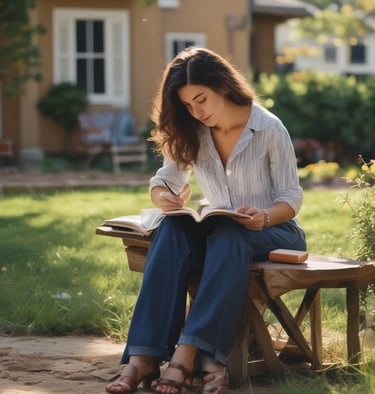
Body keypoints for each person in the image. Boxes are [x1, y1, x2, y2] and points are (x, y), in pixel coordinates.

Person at [105, 47, 306, 394]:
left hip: (275, 231)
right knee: (173, 227)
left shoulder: (269, 129)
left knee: (230, 234)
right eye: (187, 105)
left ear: (223, 86)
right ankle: (143, 357)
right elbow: (165, 179)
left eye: (201, 100)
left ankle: (188, 354)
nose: (197, 112)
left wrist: (264, 216)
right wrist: (163, 197)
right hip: (221, 233)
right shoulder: (195, 131)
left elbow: (292, 197)